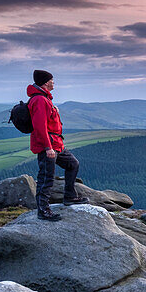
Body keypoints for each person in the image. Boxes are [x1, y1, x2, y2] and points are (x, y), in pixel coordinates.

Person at [28, 69, 86, 220]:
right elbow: (40, 127)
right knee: (46, 178)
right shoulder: (40, 100)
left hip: (56, 144)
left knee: (73, 164)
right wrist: (48, 148)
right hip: (48, 146)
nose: (54, 83)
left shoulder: (45, 99)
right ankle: (43, 211)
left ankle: (69, 197)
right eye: (52, 80)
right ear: (46, 82)